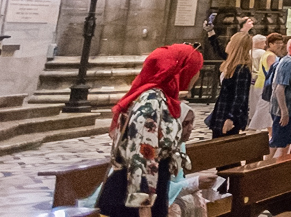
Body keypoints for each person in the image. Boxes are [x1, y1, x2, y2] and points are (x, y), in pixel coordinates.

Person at [96, 44, 203, 217]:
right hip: (133, 192)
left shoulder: (163, 98)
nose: (197, 75)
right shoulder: (151, 101)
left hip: (153, 184)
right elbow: (143, 151)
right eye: (196, 69)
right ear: (181, 70)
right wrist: (142, 201)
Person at [206, 29, 254, 137]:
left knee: (224, 147)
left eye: (230, 41)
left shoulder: (242, 69)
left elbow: (240, 97)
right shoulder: (233, 63)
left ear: (235, 46)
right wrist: (211, 32)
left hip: (228, 115)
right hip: (221, 111)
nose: (227, 44)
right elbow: (220, 50)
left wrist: (231, 118)